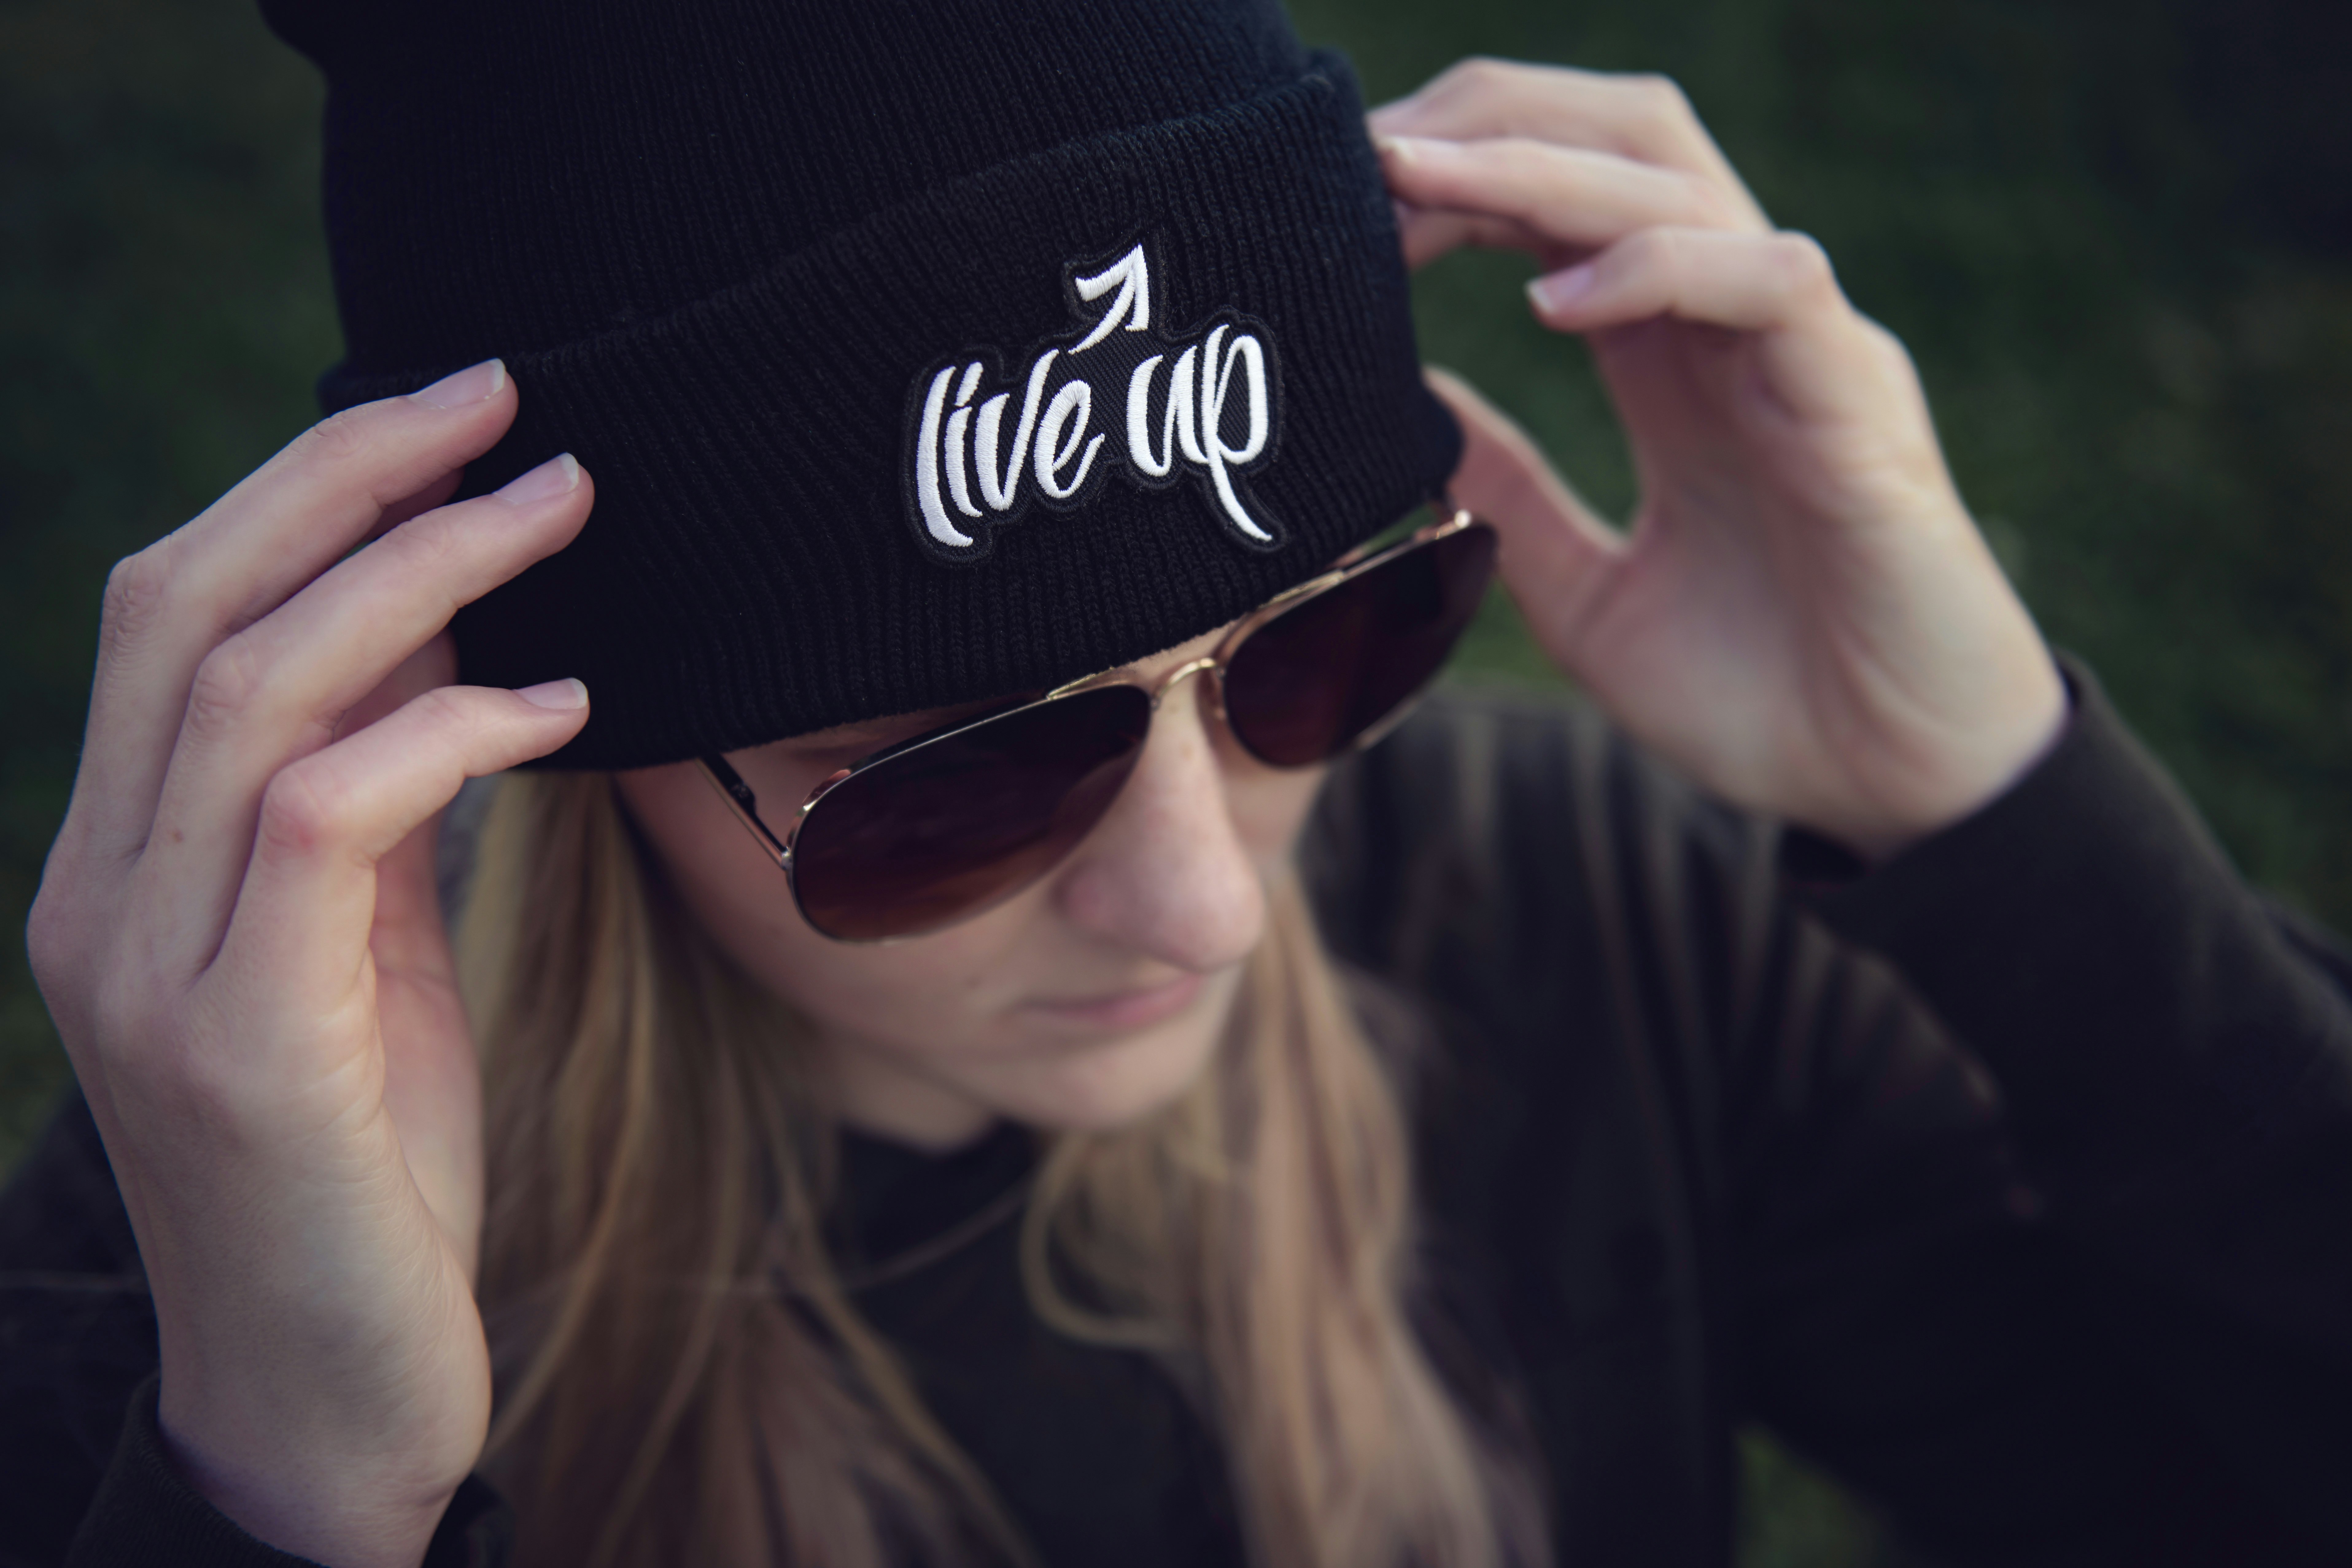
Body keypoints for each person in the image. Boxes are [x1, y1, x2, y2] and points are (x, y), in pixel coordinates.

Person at [6, 1, 2349, 1564]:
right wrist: (290, 1493)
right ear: (557, 734)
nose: (1212, 911)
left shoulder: (1603, 923)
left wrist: (2003, 816)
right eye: (960, 783)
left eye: (1328, 646)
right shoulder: (226, 1240)